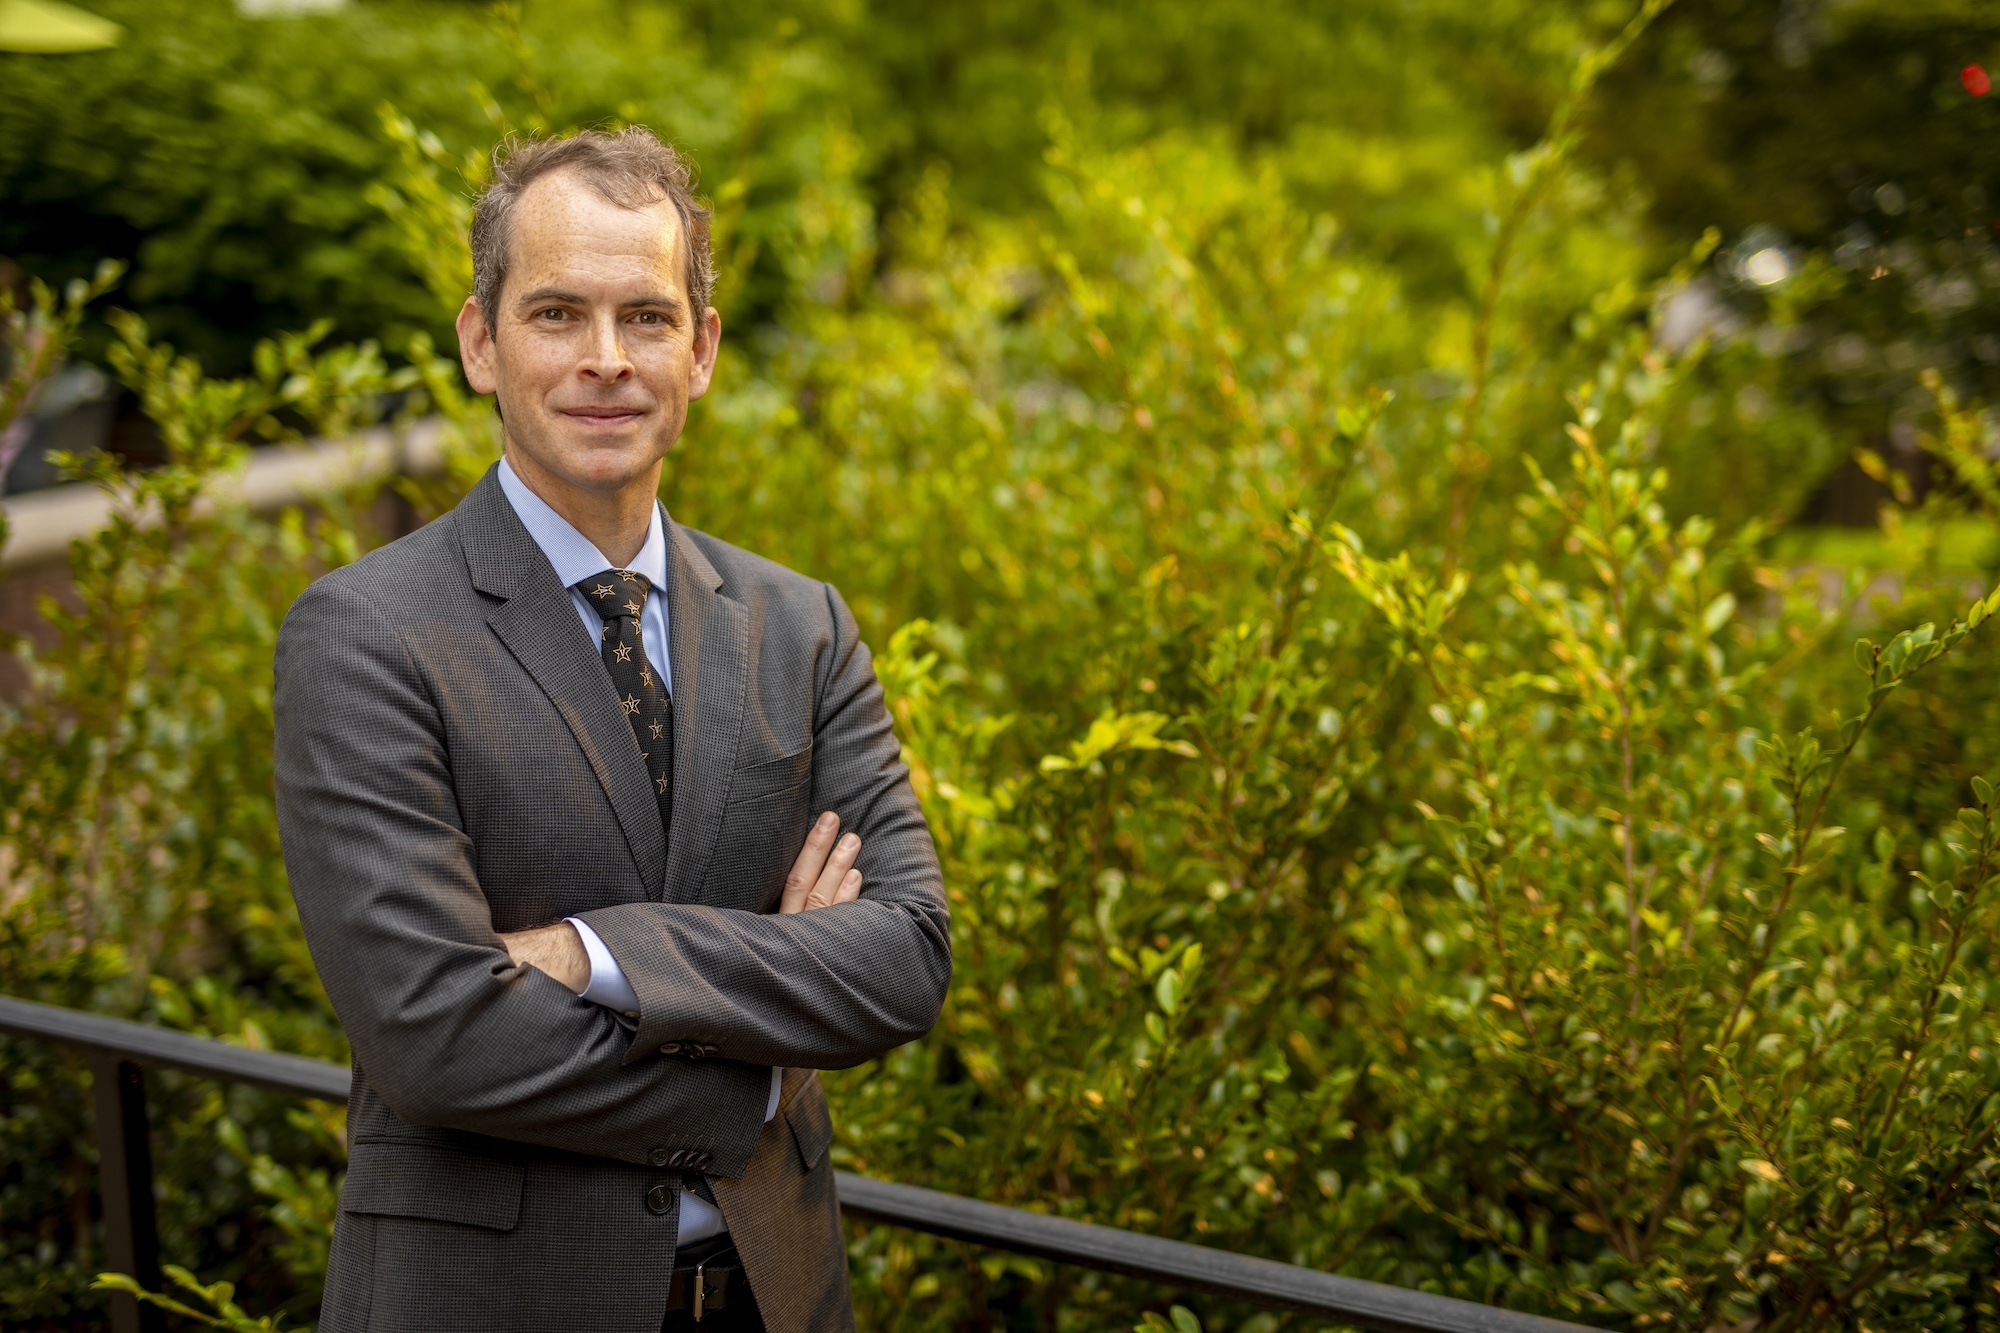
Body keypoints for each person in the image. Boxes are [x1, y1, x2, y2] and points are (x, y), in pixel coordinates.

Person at [273, 127, 951, 1333]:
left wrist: (598, 952)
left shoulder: (800, 625)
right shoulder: (363, 634)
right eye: (555, 314)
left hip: (775, 1298)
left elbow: (903, 955)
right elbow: (435, 1033)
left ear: (701, 352)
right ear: (480, 342)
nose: (606, 360)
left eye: (646, 316)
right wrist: (759, 1066)